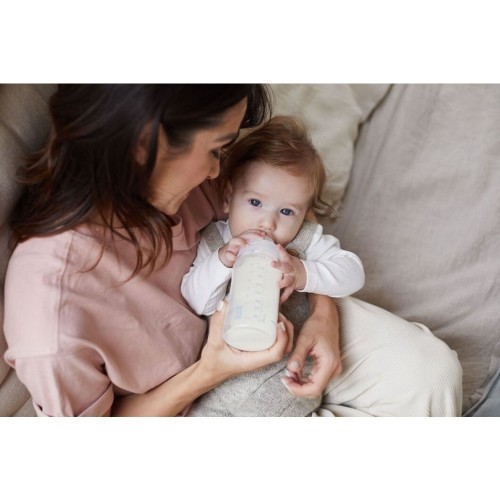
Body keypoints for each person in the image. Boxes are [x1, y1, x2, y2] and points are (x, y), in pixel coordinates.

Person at [3, 84, 462, 417]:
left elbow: (284, 221)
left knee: (430, 373)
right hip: (191, 404)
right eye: (217, 150)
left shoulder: (183, 179)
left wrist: (323, 316)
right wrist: (210, 371)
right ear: (146, 145)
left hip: (284, 315)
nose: (217, 173)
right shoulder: (54, 319)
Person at [183, 116, 365, 416]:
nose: (268, 222)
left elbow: (353, 273)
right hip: (221, 387)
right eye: (255, 203)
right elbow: (195, 300)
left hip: (290, 382)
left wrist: (303, 272)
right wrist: (222, 262)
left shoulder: (303, 241)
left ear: (304, 214)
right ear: (228, 198)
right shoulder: (216, 241)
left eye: (286, 211)